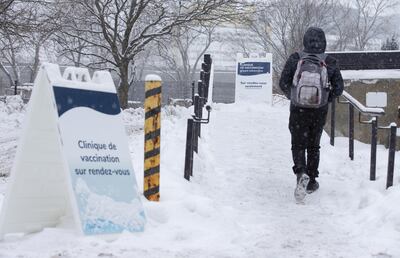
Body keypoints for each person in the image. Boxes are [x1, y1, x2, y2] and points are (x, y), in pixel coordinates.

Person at [279, 27, 344, 201]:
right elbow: (339, 88)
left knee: (298, 143)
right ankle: (312, 180)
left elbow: (283, 82)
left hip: (298, 110)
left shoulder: (295, 58)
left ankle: (301, 172)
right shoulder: (330, 61)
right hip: (319, 110)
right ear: (323, 42)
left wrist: (293, 97)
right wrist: (325, 99)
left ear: (305, 41)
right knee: (314, 145)